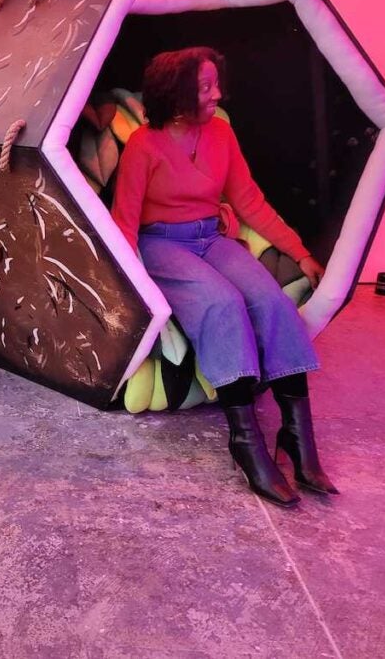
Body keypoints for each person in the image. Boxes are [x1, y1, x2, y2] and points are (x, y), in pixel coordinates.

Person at [111, 47, 337, 506]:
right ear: (176, 96)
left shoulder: (220, 134)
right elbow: (125, 222)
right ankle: (245, 440)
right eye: (206, 87)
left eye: (216, 84)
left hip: (208, 236)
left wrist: (300, 252)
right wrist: (128, 287)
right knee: (221, 303)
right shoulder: (143, 146)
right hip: (161, 244)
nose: (218, 94)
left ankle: (297, 436)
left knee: (271, 300)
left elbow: (249, 201)